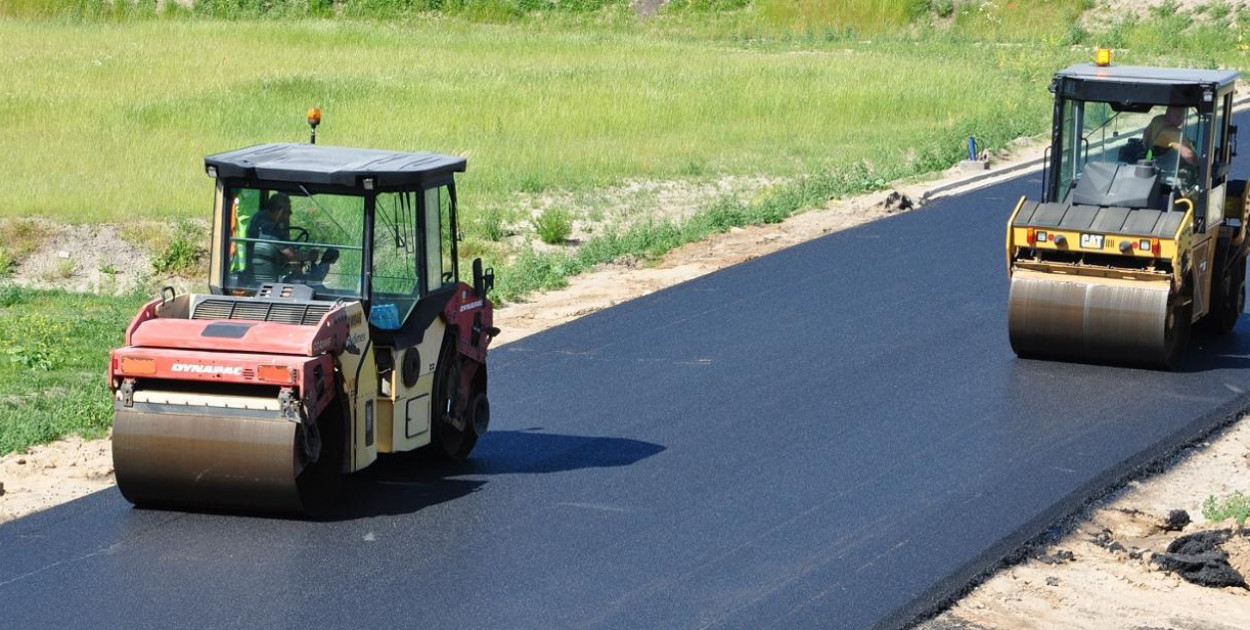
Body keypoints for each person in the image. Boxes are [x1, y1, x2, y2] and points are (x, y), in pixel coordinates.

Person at [250, 193, 318, 282]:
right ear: (280, 211)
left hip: (253, 268)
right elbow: (292, 255)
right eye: (289, 211)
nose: (291, 213)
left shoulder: (259, 216)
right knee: (300, 271)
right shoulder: (271, 228)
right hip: (271, 272)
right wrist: (309, 257)